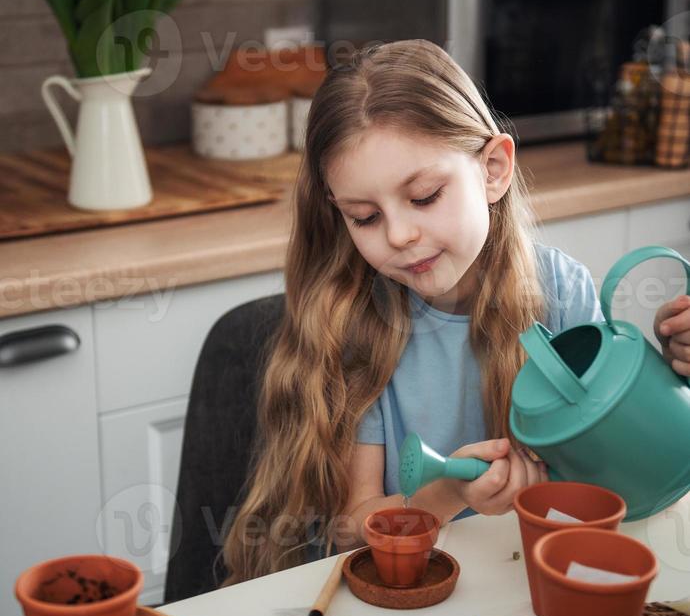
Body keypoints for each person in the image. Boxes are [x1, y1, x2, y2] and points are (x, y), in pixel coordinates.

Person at [223, 39, 690, 584]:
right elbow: (350, 527)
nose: (399, 235)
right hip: (414, 589)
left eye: (423, 197)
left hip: (526, 582)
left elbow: (628, 479)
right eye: (365, 217)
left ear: (493, 169)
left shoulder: (558, 289)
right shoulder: (350, 324)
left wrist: (671, 374)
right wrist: (447, 494)